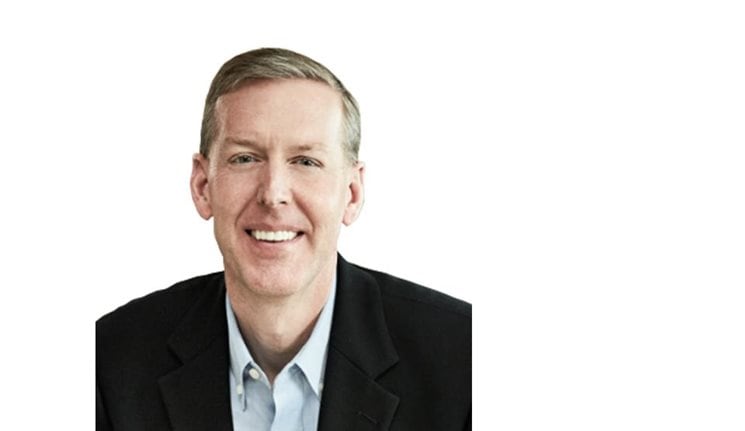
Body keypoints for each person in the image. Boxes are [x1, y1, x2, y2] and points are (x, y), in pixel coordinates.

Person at [96, 47, 471, 431]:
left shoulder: (465, 360)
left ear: (352, 193)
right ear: (203, 186)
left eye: (306, 161)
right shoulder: (108, 361)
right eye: (245, 158)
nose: (273, 194)